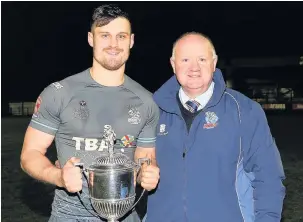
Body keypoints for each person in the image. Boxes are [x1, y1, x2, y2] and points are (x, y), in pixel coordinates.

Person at [20, 4, 160, 222]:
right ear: (90, 39)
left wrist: (147, 174)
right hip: (70, 215)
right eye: (104, 35)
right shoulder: (59, 93)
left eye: (121, 36)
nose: (113, 44)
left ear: (131, 41)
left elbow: (145, 157)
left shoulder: (146, 101)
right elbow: (30, 154)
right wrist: (58, 176)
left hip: (126, 214)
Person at [146, 32, 286, 222]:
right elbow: (134, 167)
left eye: (202, 59)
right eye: (185, 59)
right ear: (173, 64)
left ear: (214, 63)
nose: (194, 67)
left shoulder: (245, 110)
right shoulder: (151, 109)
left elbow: (268, 177)